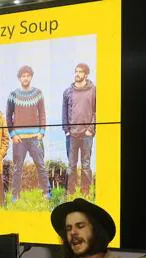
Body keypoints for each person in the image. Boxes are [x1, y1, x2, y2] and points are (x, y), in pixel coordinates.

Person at [6, 65, 50, 202]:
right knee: (17, 168)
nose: (25, 78)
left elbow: (42, 113)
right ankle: (15, 196)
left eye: (28, 75)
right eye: (23, 76)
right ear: (20, 78)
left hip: (35, 137)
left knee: (41, 165)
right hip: (19, 139)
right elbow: (8, 116)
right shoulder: (13, 95)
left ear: (31, 77)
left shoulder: (38, 93)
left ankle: (47, 193)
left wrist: (42, 132)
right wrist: (13, 134)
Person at [62, 63, 97, 197]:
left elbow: (96, 111)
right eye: (76, 71)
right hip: (72, 135)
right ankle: (70, 192)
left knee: (86, 165)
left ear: (86, 74)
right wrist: (66, 130)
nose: (77, 74)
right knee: (71, 165)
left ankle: (85, 192)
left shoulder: (94, 90)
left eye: (80, 72)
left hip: (87, 134)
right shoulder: (67, 92)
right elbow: (64, 113)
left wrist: (91, 129)